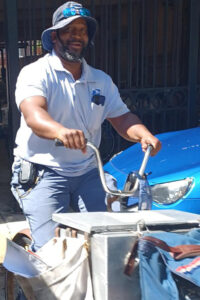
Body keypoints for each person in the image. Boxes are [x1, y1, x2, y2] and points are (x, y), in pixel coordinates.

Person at [11, 1, 161, 252]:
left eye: (82, 30)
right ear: (55, 36)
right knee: (52, 251)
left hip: (88, 171)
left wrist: (142, 134)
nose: (76, 36)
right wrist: (61, 131)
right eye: (69, 30)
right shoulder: (36, 72)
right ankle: (31, 257)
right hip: (43, 170)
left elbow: (122, 118)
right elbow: (33, 114)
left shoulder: (100, 80)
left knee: (111, 237)